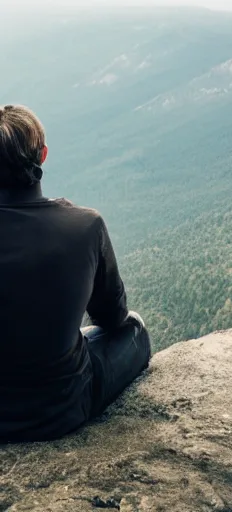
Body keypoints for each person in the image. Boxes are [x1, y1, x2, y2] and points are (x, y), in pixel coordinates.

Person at [0, 105, 151, 443]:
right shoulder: (83, 226)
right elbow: (113, 318)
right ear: (43, 155)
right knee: (135, 329)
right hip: (61, 409)